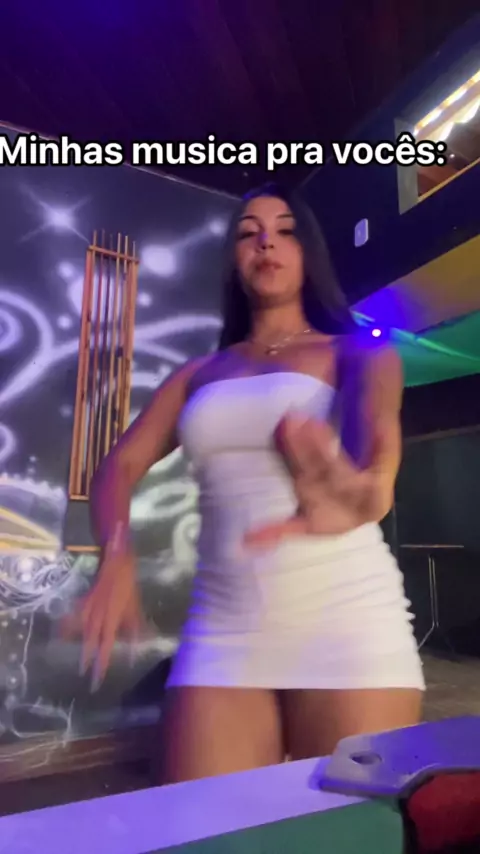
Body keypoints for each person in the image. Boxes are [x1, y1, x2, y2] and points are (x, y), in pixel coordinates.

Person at [71, 182, 424, 783]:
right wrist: (118, 552)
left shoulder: (358, 353)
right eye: (248, 233)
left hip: (350, 627)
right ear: (235, 261)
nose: (266, 242)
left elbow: (377, 449)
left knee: (342, 829)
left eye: (285, 231)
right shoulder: (199, 373)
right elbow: (118, 467)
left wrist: (365, 489)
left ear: (308, 253)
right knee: (206, 826)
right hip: (223, 630)